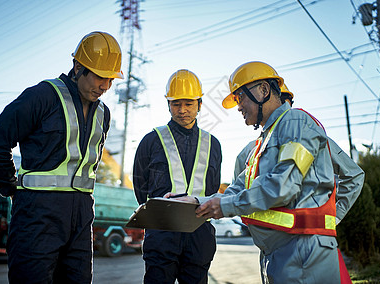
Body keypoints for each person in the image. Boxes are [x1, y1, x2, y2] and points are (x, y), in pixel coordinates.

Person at [172, 61, 364, 283]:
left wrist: (326, 220)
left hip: (303, 250)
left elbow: (284, 185)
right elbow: (233, 192)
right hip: (279, 253)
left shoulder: (295, 121)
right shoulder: (261, 145)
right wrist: (195, 201)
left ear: (263, 91)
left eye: (240, 98)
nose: (238, 107)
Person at [0, 31, 123, 283]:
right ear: (78, 67)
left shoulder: (104, 113)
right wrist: (11, 189)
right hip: (37, 213)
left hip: (81, 216)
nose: (105, 86)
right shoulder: (42, 96)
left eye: (111, 79)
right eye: (100, 77)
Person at [133, 69, 222, 284]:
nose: (182, 110)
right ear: (168, 105)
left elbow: (213, 186)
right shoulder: (151, 140)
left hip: (199, 232)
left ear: (199, 104)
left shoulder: (213, 144)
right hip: (162, 231)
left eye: (189, 104)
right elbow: (139, 184)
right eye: (176, 104)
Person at [233, 83, 364, 226]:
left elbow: (354, 175)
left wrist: (334, 216)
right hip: (273, 242)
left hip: (304, 238)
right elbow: (237, 193)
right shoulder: (249, 152)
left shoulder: (309, 134)